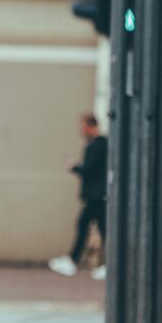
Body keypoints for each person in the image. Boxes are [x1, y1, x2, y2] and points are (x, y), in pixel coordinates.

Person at [48, 114, 108, 280]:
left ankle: (79, 261)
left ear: (90, 126)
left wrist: (74, 167)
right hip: (96, 195)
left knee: (92, 228)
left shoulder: (98, 145)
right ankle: (78, 261)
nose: (81, 130)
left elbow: (90, 170)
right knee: (93, 228)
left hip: (97, 196)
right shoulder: (97, 144)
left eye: (82, 126)